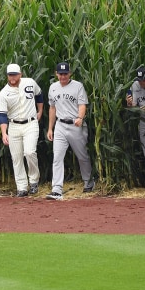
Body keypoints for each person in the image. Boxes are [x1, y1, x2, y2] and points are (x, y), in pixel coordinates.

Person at [46, 62, 94, 200]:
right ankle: (56, 189)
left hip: (75, 125)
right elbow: (52, 108)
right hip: (60, 125)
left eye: (65, 74)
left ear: (70, 73)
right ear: (56, 74)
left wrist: (80, 117)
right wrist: (50, 128)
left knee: (82, 156)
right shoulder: (53, 87)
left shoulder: (77, 86)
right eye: (60, 74)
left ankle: (88, 182)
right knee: (57, 157)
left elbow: (82, 104)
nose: (63, 76)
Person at [0, 63, 43, 197]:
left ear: (20, 74)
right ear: (7, 76)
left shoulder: (30, 83)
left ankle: (34, 181)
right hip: (14, 126)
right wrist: (4, 133)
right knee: (16, 158)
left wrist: (40, 110)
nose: (12, 77)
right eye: (10, 75)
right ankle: (22, 187)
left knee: (30, 152)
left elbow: (39, 95)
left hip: (31, 123)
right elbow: (2, 116)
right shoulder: (4, 93)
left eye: (15, 75)